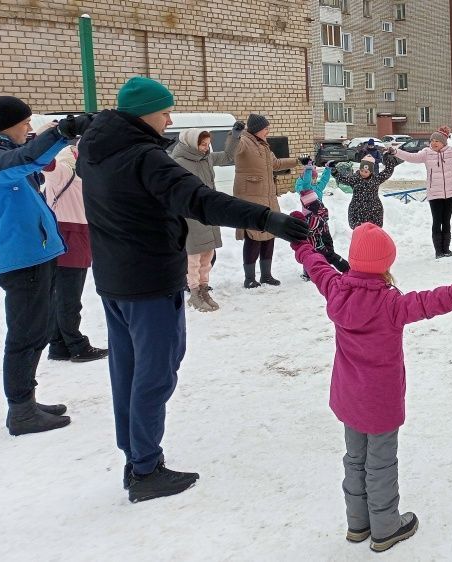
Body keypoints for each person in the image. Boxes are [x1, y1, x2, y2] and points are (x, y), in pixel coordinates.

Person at [78, 76, 309, 503]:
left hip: (114, 280)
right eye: (164, 110)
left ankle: (135, 457)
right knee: (156, 371)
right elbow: (202, 200)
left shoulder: (95, 148)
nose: (169, 118)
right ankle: (146, 469)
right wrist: (268, 219)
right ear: (143, 112)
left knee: (127, 372)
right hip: (148, 280)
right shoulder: (144, 157)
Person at [291, 220, 452, 552]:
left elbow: (317, 265)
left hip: (349, 398)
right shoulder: (391, 304)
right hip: (380, 403)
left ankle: (358, 524)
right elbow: (433, 301)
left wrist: (301, 243)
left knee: (354, 458)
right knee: (380, 463)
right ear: (385, 266)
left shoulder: (336, 289)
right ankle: (385, 528)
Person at [0, 95, 91, 435]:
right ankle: (21, 412)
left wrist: (53, 132)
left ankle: (26, 402)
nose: (29, 128)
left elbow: (28, 152)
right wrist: (62, 133)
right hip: (22, 259)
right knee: (24, 336)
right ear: (7, 125)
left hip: (38, 254)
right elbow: (26, 158)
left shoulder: (0, 150)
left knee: (38, 331)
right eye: (24, 123)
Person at [42, 145, 109, 361]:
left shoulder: (80, 172)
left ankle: (58, 345)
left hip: (73, 238)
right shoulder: (64, 169)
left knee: (62, 297)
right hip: (69, 240)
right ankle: (77, 345)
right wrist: (46, 139)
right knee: (69, 299)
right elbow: (47, 165)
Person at [171, 125, 241, 311]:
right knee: (193, 259)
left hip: (208, 214)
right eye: (202, 145)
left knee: (208, 257)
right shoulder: (177, 161)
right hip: (190, 216)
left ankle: (204, 289)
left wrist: (234, 136)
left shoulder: (207, 158)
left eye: (207, 144)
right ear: (192, 143)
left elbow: (227, 156)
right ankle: (194, 293)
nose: (206, 148)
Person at [233, 113, 306, 288]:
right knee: (254, 236)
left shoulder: (264, 146)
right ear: (257, 129)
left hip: (268, 197)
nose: (268, 131)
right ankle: (249, 278)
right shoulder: (244, 142)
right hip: (251, 198)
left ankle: (266, 275)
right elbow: (233, 149)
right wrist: (234, 134)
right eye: (266, 128)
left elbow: (276, 164)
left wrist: (298, 161)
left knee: (269, 235)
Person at [393, 126, 452, 258]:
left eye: (437, 141)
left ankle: (446, 249)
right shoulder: (426, 154)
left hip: (450, 193)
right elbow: (411, 157)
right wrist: (396, 152)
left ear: (444, 142)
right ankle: (438, 251)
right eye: (432, 141)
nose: (434, 143)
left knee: (446, 221)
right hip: (434, 193)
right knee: (437, 221)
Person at [331, 152, 399, 229]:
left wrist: (389, 159)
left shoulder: (376, 180)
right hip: (357, 210)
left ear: (371, 172)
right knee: (359, 231)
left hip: (374, 210)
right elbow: (343, 179)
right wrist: (335, 172)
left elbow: (387, 172)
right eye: (361, 170)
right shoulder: (355, 179)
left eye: (366, 172)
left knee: (373, 231)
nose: (363, 173)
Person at [298, 188, 349, 275]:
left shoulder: (313, 214)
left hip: (320, 241)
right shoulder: (317, 207)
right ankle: (307, 273)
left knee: (329, 256)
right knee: (311, 256)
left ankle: (346, 268)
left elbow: (309, 227)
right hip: (321, 238)